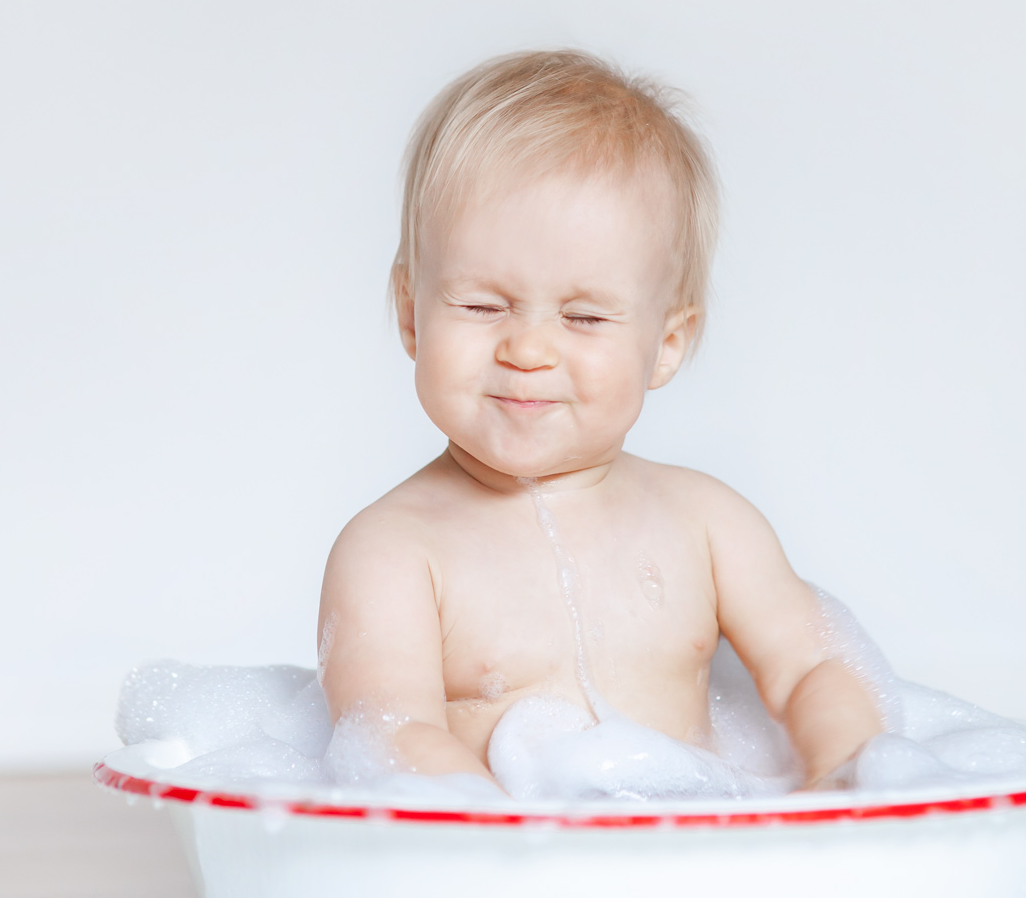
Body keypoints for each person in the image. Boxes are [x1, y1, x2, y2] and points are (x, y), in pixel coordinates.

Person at [317, 50, 882, 792]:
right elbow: (393, 736)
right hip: (500, 882)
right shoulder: (392, 553)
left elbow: (817, 666)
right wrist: (509, 839)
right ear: (410, 314)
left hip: (698, 860)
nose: (527, 348)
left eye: (583, 316)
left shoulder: (708, 525)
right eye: (483, 306)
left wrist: (842, 774)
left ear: (666, 344)